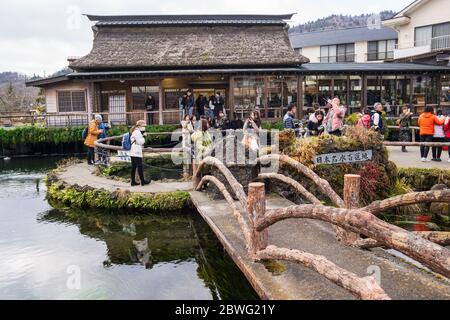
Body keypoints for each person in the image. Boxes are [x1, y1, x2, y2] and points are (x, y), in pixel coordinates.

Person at [130, 120, 151, 186]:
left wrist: (142, 135)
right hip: (136, 152)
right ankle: (143, 181)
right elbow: (140, 142)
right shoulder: (137, 132)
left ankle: (133, 182)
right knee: (140, 166)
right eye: (143, 126)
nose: (144, 127)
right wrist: (144, 137)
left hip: (132, 151)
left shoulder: (134, 131)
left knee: (133, 167)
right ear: (139, 126)